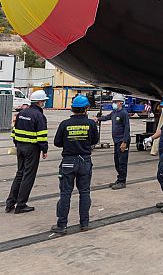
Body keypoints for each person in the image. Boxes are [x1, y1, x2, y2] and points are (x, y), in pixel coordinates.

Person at [51, 95, 99, 234]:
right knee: (84, 192)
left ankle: (62, 225)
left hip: (68, 162)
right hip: (84, 161)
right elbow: (94, 140)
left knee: (65, 193)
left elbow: (57, 142)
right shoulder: (91, 124)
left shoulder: (64, 124)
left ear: (72, 109)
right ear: (86, 109)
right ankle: (84, 223)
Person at [6, 90, 49, 214]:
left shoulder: (21, 113)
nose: (44, 103)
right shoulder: (39, 116)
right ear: (40, 102)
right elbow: (41, 136)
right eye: (44, 101)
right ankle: (21, 204)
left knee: (19, 174)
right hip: (32, 149)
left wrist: (17, 145)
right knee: (28, 176)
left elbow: (14, 132)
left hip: (20, 147)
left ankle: (10, 203)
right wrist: (44, 149)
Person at [105, 93, 131, 190]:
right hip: (116, 141)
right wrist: (97, 119)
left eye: (115, 102)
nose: (114, 103)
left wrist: (125, 142)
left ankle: (122, 181)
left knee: (122, 162)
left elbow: (127, 129)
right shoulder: (114, 112)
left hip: (122, 141)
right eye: (113, 102)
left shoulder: (124, 113)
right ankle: (119, 178)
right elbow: (107, 117)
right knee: (117, 161)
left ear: (121, 102)